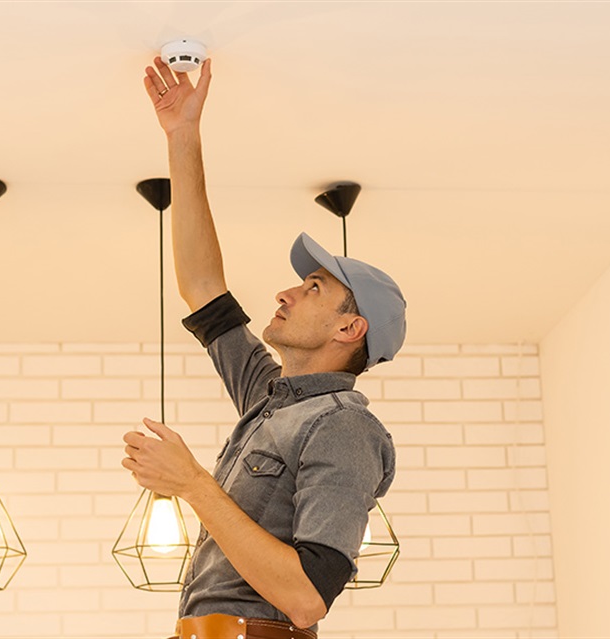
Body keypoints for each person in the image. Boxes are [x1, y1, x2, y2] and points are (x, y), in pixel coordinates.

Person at [121, 56, 406, 639]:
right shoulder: (270, 398)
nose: (287, 291)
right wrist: (182, 135)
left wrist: (193, 482)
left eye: (313, 288)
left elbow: (305, 599)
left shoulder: (344, 429)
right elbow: (204, 288)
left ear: (349, 329)